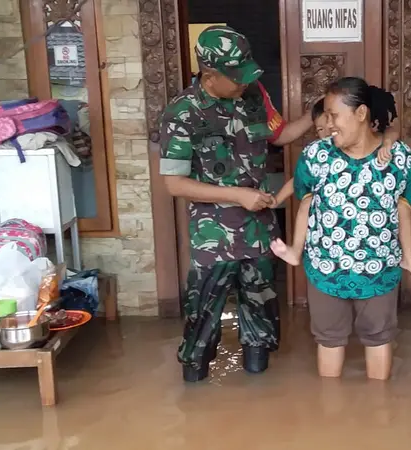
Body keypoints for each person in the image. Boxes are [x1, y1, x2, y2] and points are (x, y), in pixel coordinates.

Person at [158, 25, 319, 382]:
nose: (243, 83)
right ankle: (196, 392)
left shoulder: (253, 96)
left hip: (259, 230)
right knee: (202, 320)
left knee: (260, 323)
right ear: (210, 75)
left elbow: (280, 136)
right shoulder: (182, 113)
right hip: (213, 238)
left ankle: (261, 405)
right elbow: (173, 183)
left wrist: (315, 115)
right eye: (236, 77)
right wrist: (237, 195)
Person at [291, 77, 411, 380]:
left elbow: (406, 206)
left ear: (361, 114)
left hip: (379, 270)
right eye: (326, 115)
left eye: (334, 114)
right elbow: (304, 199)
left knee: (379, 338)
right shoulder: (316, 155)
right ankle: (332, 418)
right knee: (328, 339)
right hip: (325, 270)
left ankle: (378, 417)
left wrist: (410, 257)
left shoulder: (400, 158)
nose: (328, 123)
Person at [270, 88, 411, 282]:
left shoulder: (378, 139)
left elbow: (392, 128)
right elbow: (297, 182)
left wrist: (387, 144)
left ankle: (408, 259)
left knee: (402, 207)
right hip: (329, 261)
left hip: (377, 258)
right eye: (320, 130)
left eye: (332, 123)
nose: (327, 134)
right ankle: (295, 251)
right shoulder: (319, 153)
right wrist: (277, 200)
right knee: (307, 201)